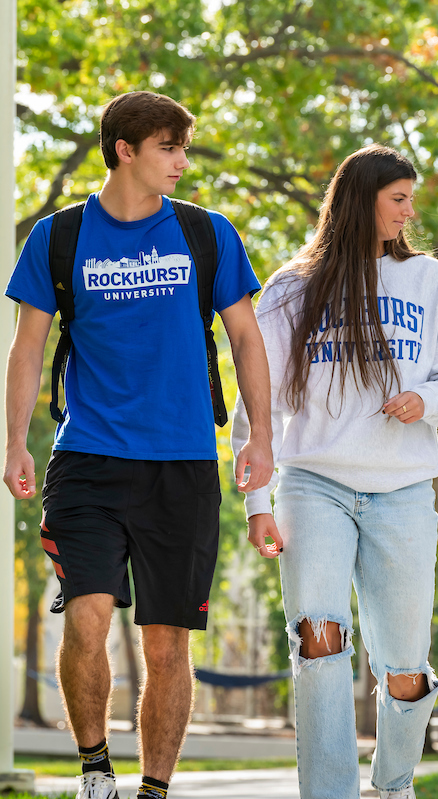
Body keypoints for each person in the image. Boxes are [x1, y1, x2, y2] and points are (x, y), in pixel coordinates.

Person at [3, 91, 272, 799]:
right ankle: (96, 772)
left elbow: (247, 338)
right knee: (87, 616)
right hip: (87, 459)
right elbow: (28, 346)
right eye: (169, 147)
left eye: (184, 148)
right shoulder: (58, 238)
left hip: (183, 463)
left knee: (167, 642)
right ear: (125, 149)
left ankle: (154, 789)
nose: (183, 162)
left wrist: (261, 438)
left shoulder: (207, 233)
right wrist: (14, 443)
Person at [230, 143, 438, 799]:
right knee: (318, 637)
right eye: (399, 198)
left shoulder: (429, 281)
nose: (409, 210)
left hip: (402, 490)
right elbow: (256, 402)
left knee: (403, 666)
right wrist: (257, 504)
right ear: (362, 198)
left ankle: (393, 784)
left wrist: (429, 400)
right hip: (314, 486)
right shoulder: (292, 287)